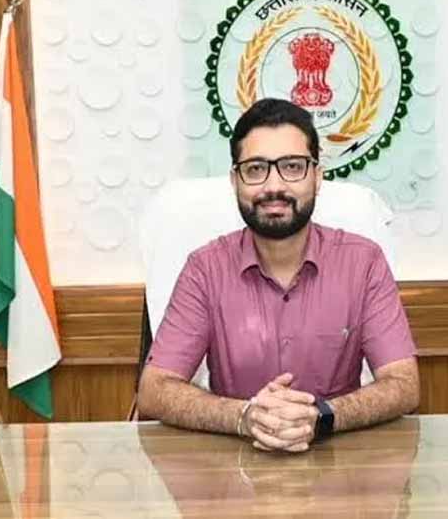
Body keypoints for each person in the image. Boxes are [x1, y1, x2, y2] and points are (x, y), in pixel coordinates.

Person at [136, 98, 419, 452]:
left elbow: (404, 384)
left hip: (339, 462)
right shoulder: (204, 269)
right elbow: (155, 389)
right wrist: (245, 417)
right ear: (235, 181)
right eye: (256, 169)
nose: (274, 186)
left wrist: (321, 416)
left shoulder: (364, 263)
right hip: (233, 465)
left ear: (317, 177)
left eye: (292, 167)